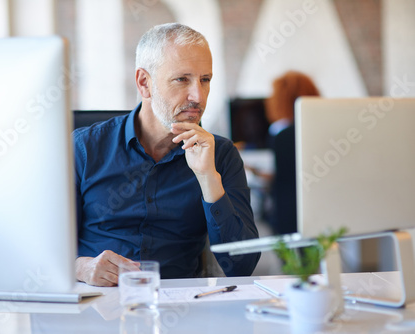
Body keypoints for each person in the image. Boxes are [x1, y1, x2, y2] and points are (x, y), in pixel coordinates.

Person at [73, 23, 260, 287]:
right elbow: (40, 250)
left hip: (181, 307)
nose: (198, 96)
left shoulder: (221, 155)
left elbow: (243, 266)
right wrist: (81, 267)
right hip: (96, 303)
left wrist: (208, 178)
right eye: (182, 79)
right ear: (144, 83)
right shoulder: (84, 148)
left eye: (205, 80)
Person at [264, 71, 320, 235]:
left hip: (287, 213)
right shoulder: (320, 129)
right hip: (319, 209)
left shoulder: (280, 134)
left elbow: (278, 176)